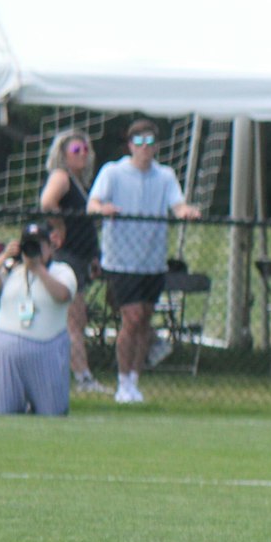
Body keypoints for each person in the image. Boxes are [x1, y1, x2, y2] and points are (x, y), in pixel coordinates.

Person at [87, 119, 201, 404]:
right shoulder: (112, 172)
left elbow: (177, 205)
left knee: (145, 320)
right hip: (121, 260)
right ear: (130, 145)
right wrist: (104, 209)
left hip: (153, 261)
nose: (145, 149)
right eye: (139, 143)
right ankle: (122, 381)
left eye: (150, 143)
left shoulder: (165, 176)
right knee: (132, 317)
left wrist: (186, 212)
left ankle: (134, 381)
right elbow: (93, 203)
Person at [0, 221, 76, 415]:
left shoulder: (61, 271)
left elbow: (63, 295)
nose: (34, 249)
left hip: (46, 347)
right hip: (6, 345)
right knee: (1, 410)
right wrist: (4, 256)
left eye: (39, 245)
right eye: (29, 244)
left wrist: (38, 269)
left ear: (50, 247)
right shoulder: (12, 269)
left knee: (52, 412)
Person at [38, 128, 106, 394]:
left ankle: (74, 374)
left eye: (86, 150)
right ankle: (83, 377)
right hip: (66, 258)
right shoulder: (61, 176)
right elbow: (47, 202)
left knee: (76, 319)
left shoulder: (81, 185)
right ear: (64, 154)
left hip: (80, 258)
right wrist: (59, 226)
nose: (83, 155)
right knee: (74, 320)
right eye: (76, 150)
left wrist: (93, 256)